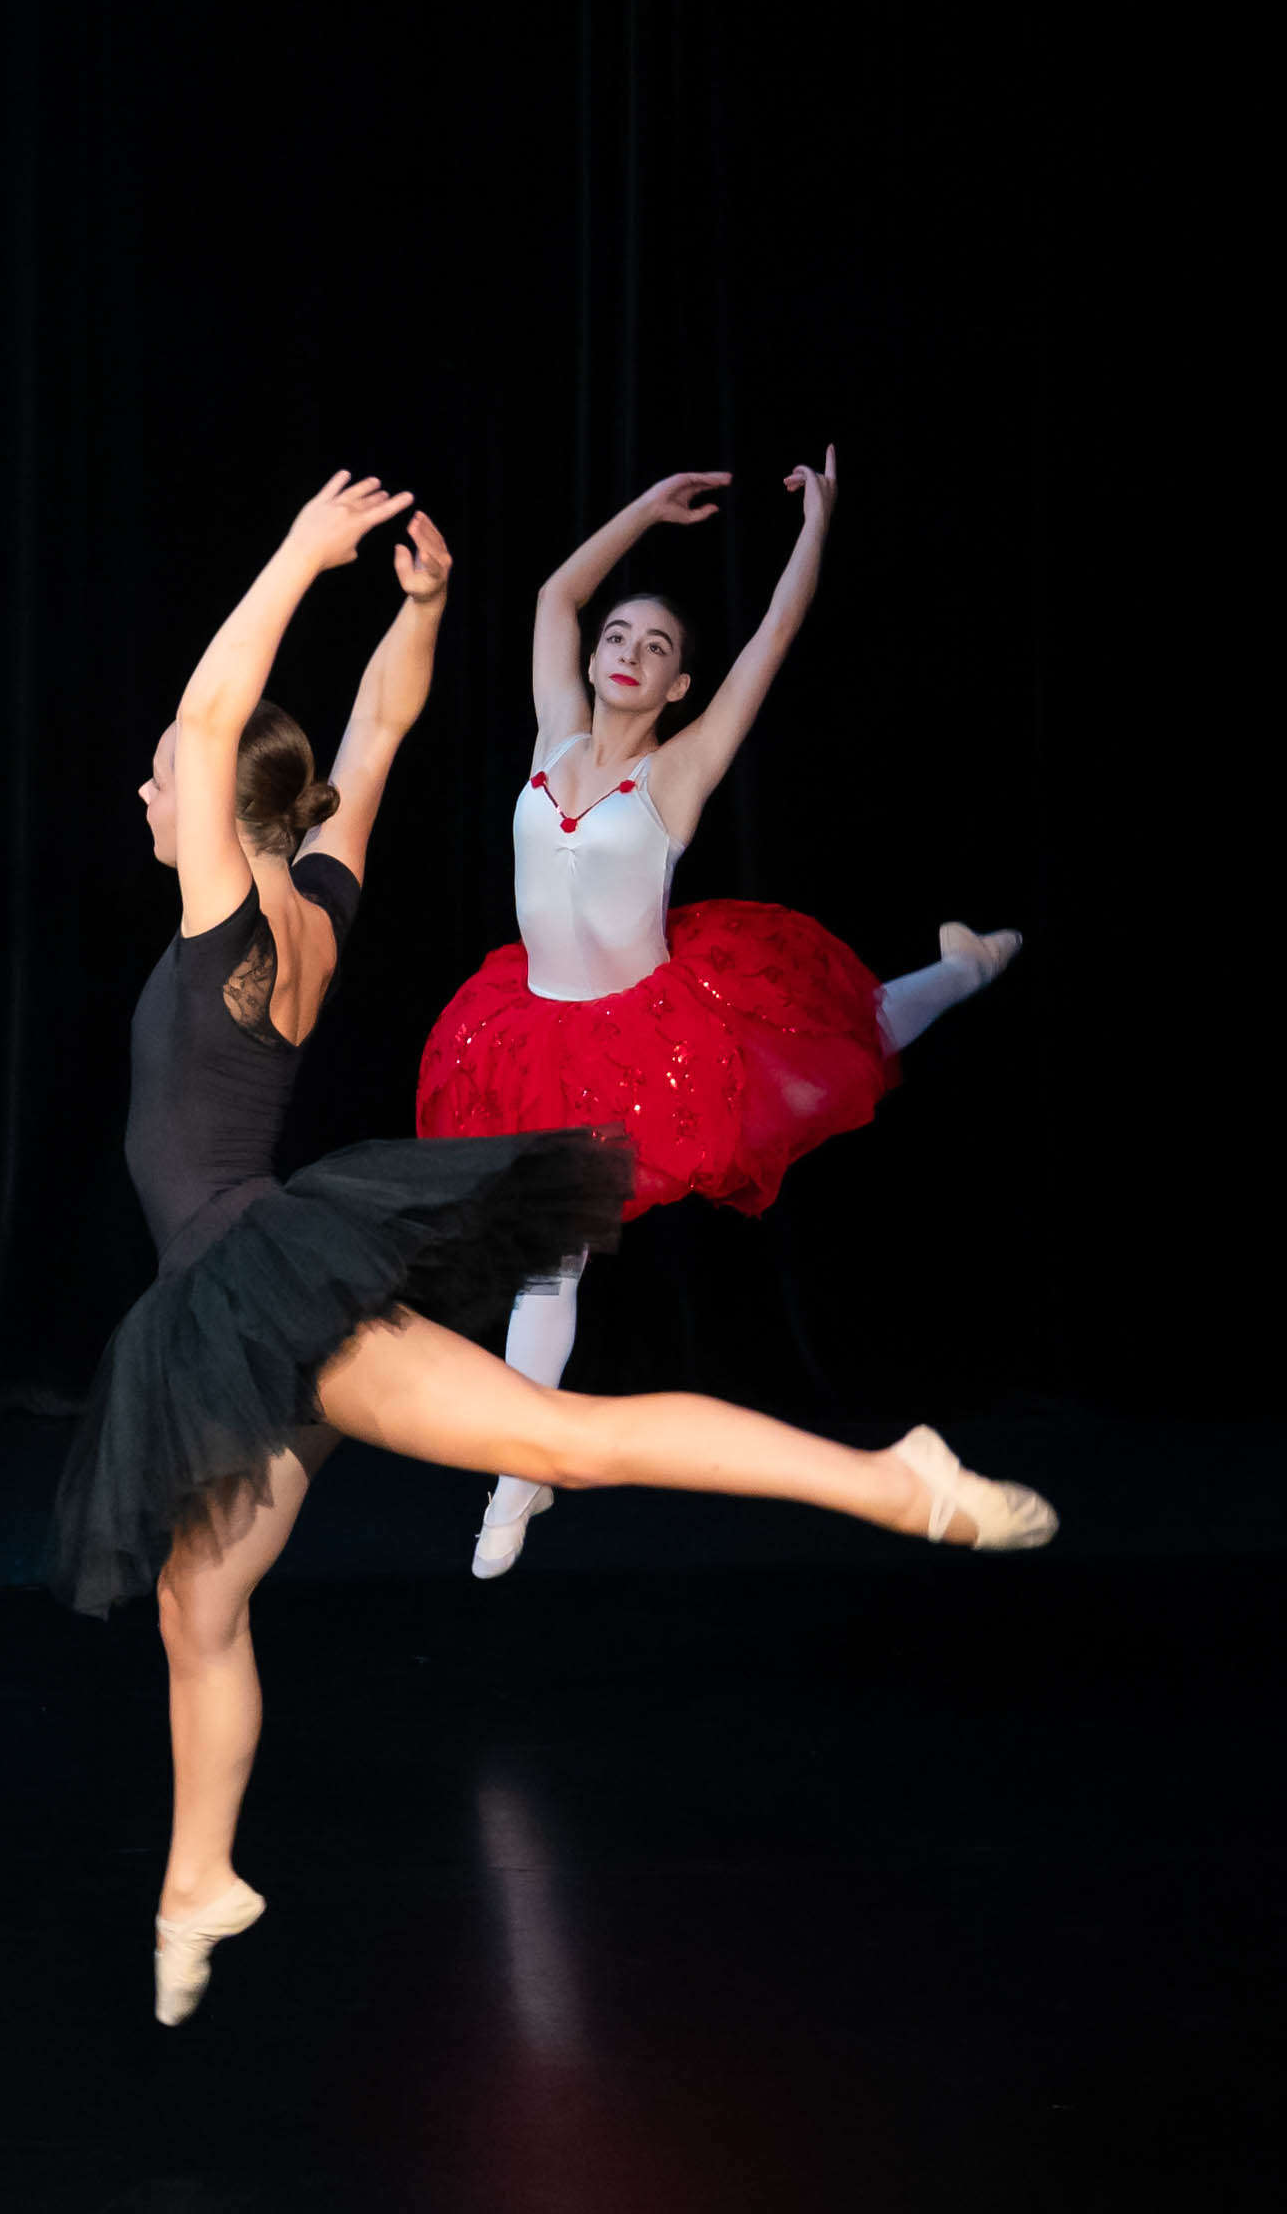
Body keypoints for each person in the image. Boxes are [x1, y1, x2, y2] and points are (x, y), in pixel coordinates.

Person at [51, 473, 1053, 2027]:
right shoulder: (313, 890)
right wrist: (422, 608)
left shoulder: (232, 912)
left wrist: (305, 558)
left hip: (257, 1283)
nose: (146, 786)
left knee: (558, 1440)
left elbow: (215, 703)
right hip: (236, 1305)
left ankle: (893, 1477)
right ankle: (199, 1879)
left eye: (162, 776)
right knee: (201, 1605)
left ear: (223, 811)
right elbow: (377, 732)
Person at [421, 452, 1022, 1576]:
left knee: (850, 1036)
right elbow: (554, 595)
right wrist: (646, 510)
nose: (628, 652)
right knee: (550, 1261)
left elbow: (772, 640)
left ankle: (964, 970)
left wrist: (816, 527)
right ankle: (520, 1475)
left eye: (656, 647)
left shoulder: (679, 773)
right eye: (618, 636)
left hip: (649, 1033)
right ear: (592, 661)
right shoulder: (553, 734)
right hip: (532, 1031)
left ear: (678, 686)